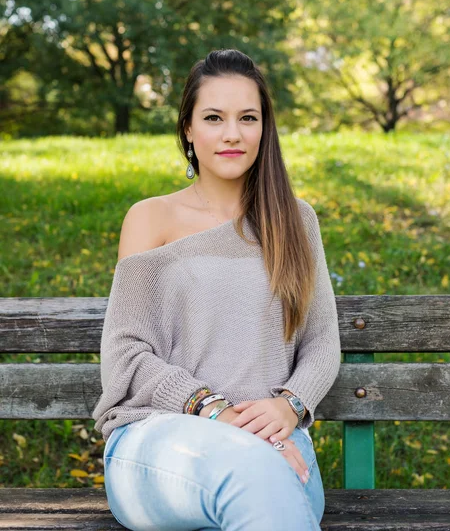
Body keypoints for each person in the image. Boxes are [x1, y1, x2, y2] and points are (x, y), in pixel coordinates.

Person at [91, 48, 341, 530]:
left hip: (278, 442)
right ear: (188, 128)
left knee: (264, 486)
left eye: (248, 118)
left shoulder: (296, 221)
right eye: (213, 117)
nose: (232, 134)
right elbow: (125, 354)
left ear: (264, 127)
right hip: (161, 440)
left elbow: (322, 341)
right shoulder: (151, 218)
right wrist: (213, 409)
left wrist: (289, 406)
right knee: (251, 475)